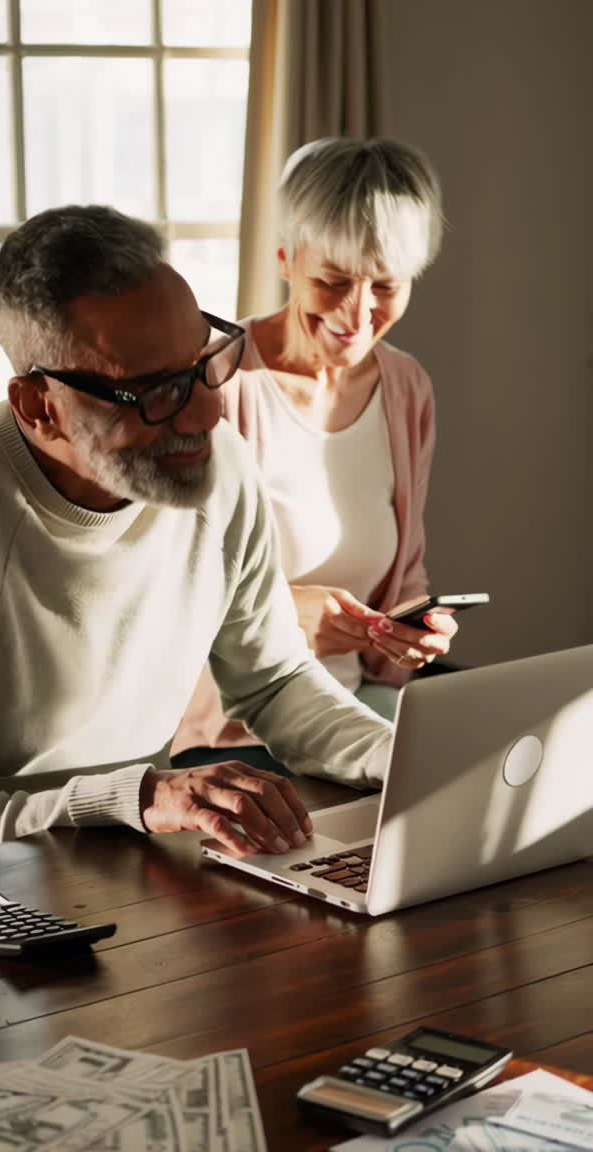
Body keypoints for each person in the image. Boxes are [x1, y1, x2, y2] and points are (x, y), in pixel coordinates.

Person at [0, 204, 395, 898]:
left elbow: (273, 681)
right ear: (38, 405)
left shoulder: (220, 465)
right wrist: (137, 797)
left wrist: (407, 757)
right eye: (153, 392)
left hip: (142, 872)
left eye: (203, 364)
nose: (206, 413)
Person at [172, 137, 458, 771]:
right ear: (285, 259)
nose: (358, 313)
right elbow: (169, 588)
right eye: (333, 281)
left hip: (360, 707)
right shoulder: (217, 383)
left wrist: (415, 627)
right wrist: (281, 618)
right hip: (237, 730)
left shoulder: (406, 387)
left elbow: (406, 572)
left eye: (386, 285)